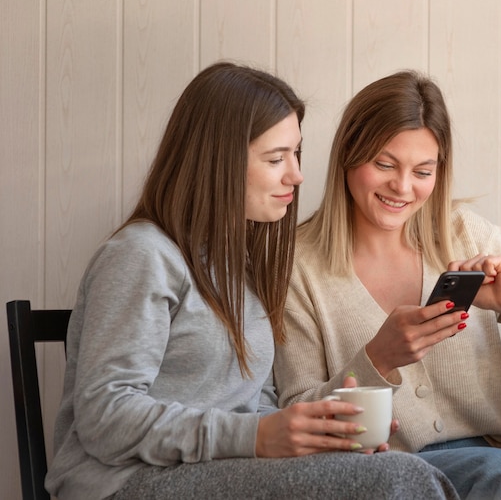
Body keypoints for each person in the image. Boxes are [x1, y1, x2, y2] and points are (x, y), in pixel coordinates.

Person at [45, 63, 460, 500]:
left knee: (392, 467)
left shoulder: (241, 270)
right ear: (218, 161)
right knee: (402, 480)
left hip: (218, 473)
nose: (296, 176)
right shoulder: (142, 255)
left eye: (296, 154)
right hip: (125, 483)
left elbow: (252, 406)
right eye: (276, 158)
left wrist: (321, 437)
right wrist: (256, 435)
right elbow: (105, 418)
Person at [273, 69, 501, 499]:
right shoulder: (297, 266)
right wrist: (376, 359)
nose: (402, 187)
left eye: (422, 171)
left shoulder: (467, 235)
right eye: (384, 164)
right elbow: (298, 414)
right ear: (348, 155)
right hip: (375, 475)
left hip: (488, 469)